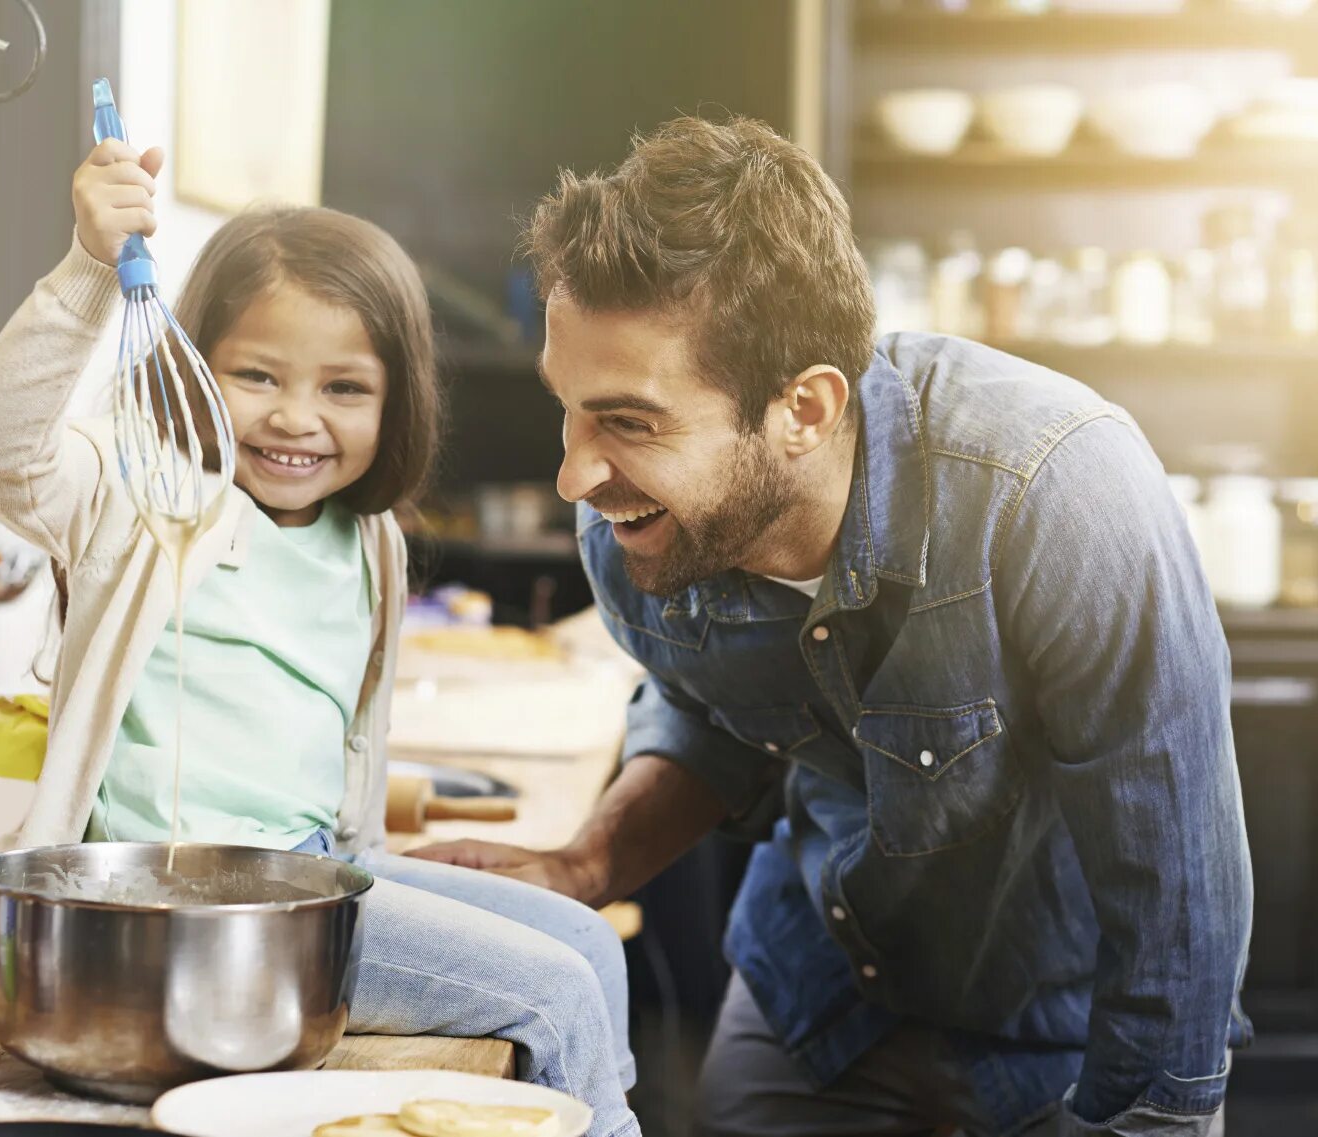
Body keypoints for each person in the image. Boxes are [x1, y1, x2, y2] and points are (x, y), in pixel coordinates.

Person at [412, 116, 1254, 1137]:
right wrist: (588, 863)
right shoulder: (637, 531)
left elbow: (1171, 876)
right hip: (815, 990)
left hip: (1061, 1030)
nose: (574, 477)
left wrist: (1153, 1115)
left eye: (628, 421)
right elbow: (706, 710)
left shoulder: (1055, 491)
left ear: (803, 410)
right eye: (570, 409)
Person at [0, 137, 639, 1137]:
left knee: (591, 947)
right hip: (189, 907)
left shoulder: (369, 545)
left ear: (396, 396)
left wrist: (371, 862)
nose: (296, 419)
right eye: (257, 375)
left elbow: (344, 754)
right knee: (554, 993)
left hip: (312, 878)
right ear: (192, 365)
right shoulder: (145, 503)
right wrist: (88, 270)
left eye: (343, 389)